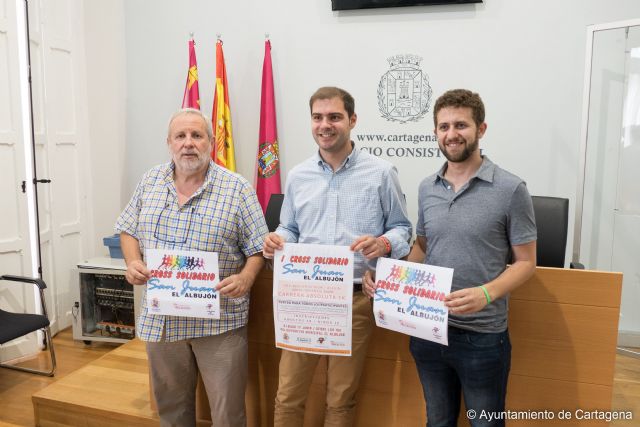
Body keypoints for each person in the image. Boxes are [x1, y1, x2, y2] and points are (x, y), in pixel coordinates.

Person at [365, 89, 537, 426]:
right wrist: (387, 278)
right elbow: (423, 248)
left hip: (483, 336)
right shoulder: (427, 187)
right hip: (428, 329)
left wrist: (486, 293)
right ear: (435, 133)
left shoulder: (511, 189)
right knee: (438, 421)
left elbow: (526, 263)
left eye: (461, 125)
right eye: (443, 127)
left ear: (481, 129)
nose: (451, 134)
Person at [263, 86, 412, 427]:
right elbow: (291, 228)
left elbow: (404, 229)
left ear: (352, 120)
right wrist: (277, 239)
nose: (324, 125)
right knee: (288, 394)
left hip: (354, 298)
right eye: (317, 117)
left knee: (341, 397)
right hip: (303, 297)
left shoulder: (381, 172)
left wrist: (384, 244)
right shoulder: (298, 175)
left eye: (334, 117)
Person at [115, 108, 267, 427]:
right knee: (172, 409)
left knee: (227, 413)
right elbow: (127, 228)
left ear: (211, 142)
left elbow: (259, 249)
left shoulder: (237, 189)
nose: (188, 143)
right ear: (169, 142)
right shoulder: (150, 181)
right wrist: (133, 262)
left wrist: (246, 277)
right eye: (180, 136)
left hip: (220, 323)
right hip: (163, 321)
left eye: (196, 136)